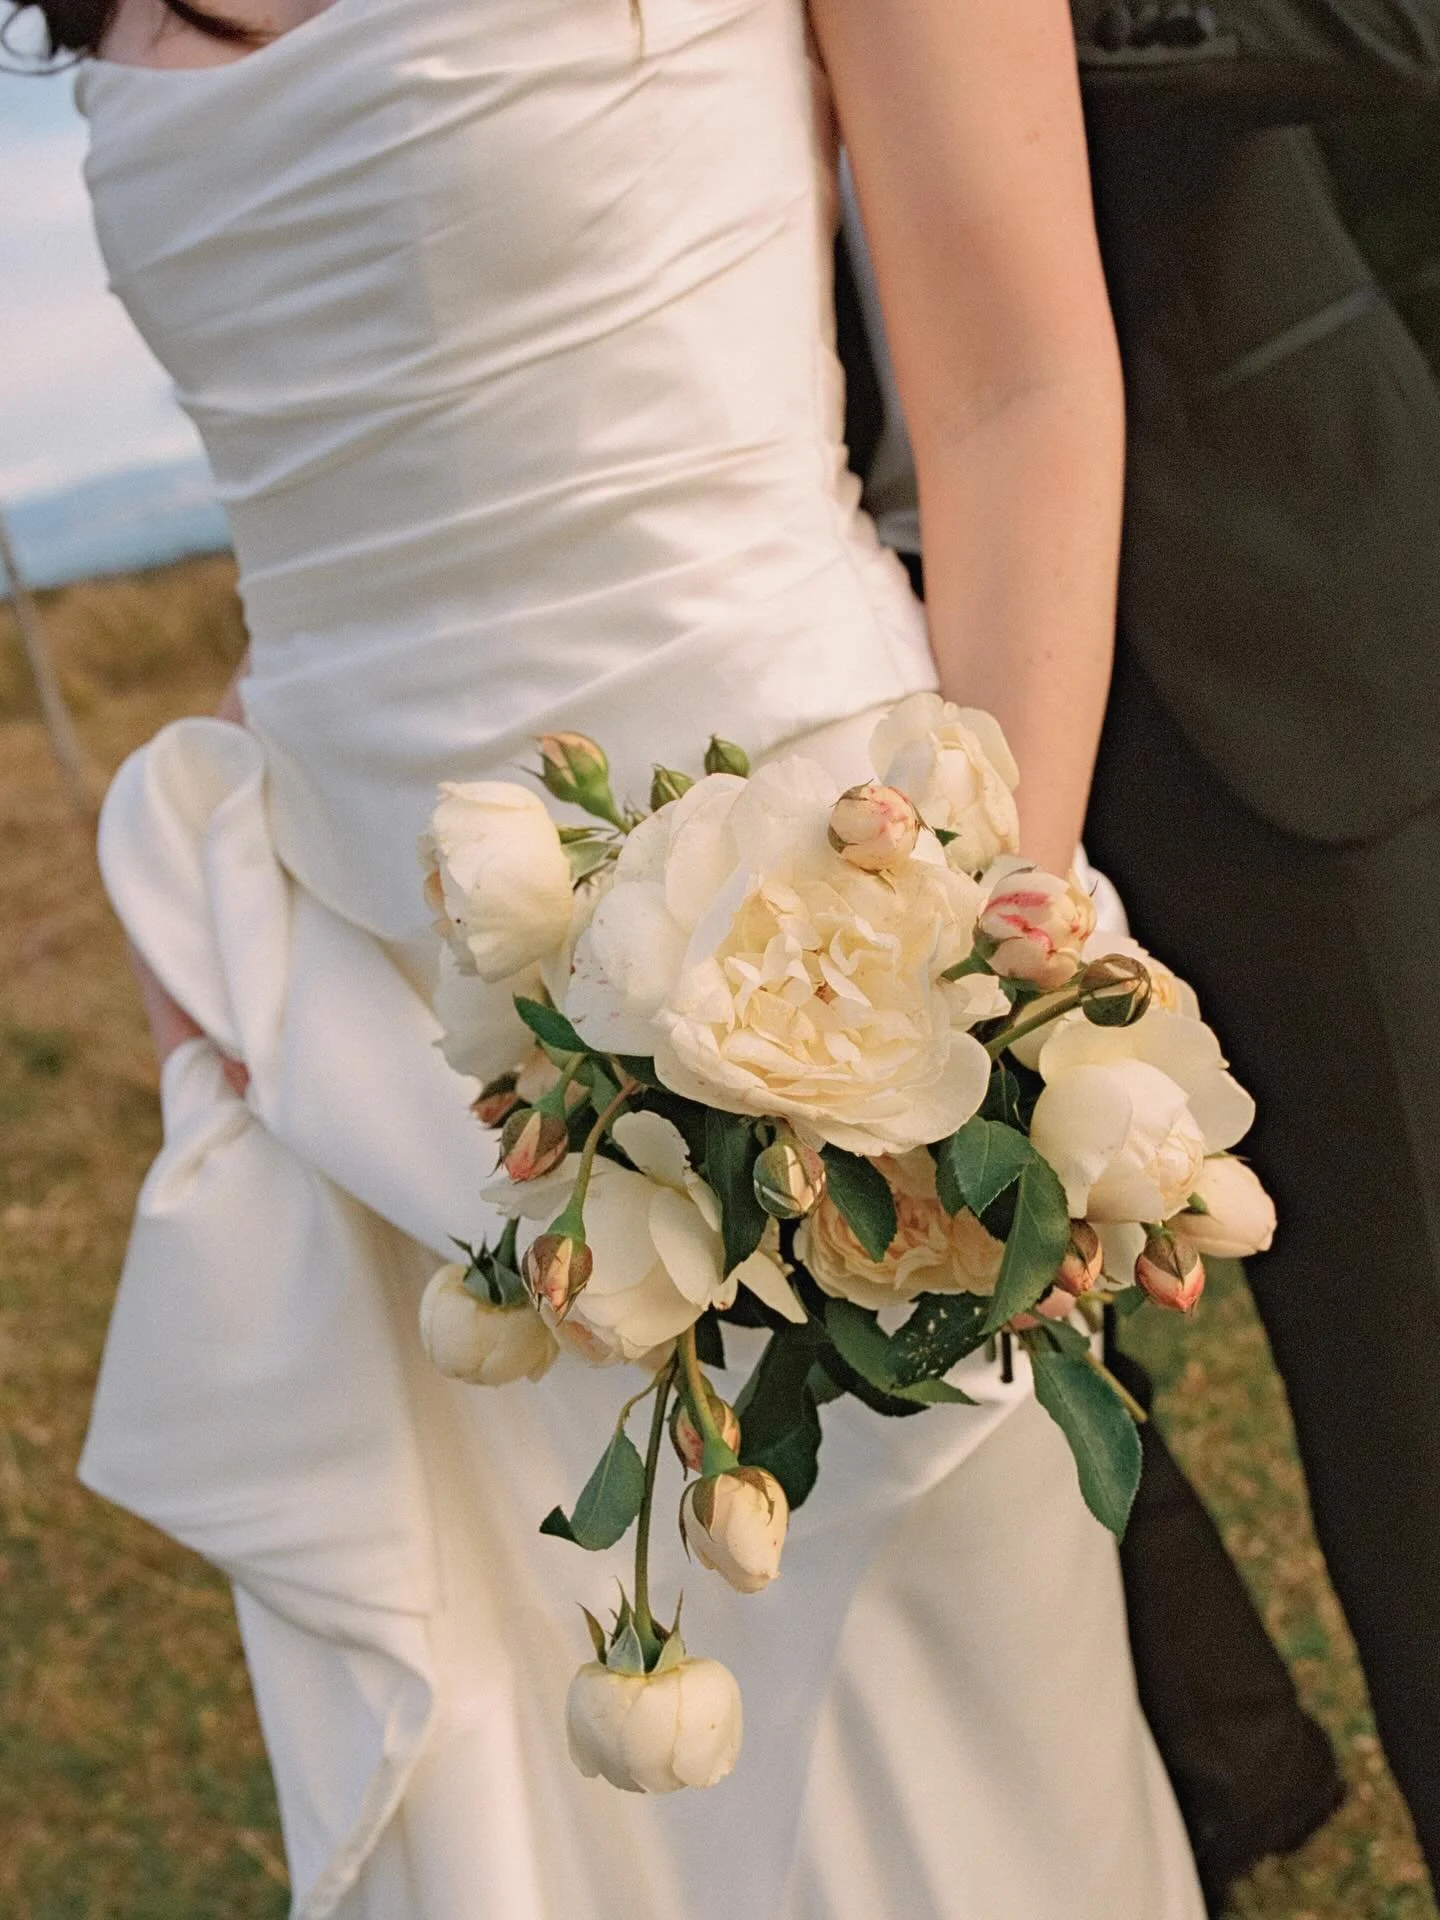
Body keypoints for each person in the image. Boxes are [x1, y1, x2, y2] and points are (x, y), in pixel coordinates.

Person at [20, 0, 1212, 1911]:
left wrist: (988, 943)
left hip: (821, 930)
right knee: (546, 1777)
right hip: (385, 1035)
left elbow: (1020, 384)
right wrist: (218, 920)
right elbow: (345, 517)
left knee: (954, 1756)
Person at [842, 0, 1440, 1902]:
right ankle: (1222, 1769)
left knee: (1414, 1375)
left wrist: (958, 49)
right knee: (949, 1354)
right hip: (846, 717)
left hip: (1264, 630)